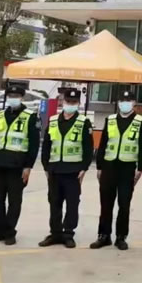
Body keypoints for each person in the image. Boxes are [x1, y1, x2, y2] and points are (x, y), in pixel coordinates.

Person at [0, 84, 40, 245]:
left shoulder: (30, 117)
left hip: (17, 167)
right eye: (10, 96)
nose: (13, 99)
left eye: (16, 96)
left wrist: (28, 167)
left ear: (22, 98)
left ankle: (9, 232)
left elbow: (34, 144)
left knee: (14, 202)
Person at [90, 90, 142, 250]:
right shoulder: (110, 120)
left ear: (134, 103)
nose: (125, 103)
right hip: (109, 167)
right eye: (122, 100)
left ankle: (121, 237)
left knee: (124, 204)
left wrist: (141, 168)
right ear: (118, 103)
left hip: (127, 168)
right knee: (105, 203)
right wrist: (99, 166)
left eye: (128, 100)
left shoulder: (141, 122)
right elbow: (103, 145)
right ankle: (104, 235)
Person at [39, 89, 93, 248]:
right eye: (68, 101)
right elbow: (47, 145)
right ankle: (55, 233)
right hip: (55, 170)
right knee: (54, 203)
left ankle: (68, 233)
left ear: (78, 103)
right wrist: (46, 166)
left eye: (74, 102)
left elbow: (88, 147)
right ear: (63, 101)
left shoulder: (83, 122)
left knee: (72, 204)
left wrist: (84, 167)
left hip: (73, 171)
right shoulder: (53, 120)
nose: (70, 104)